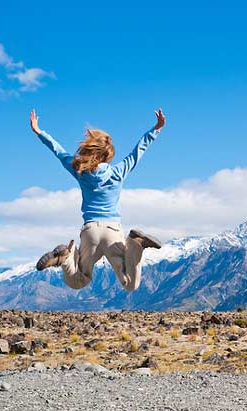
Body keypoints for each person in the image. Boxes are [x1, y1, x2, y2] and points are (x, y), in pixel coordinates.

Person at [29, 108, 165, 292]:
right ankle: (135, 243)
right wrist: (156, 129)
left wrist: (39, 132)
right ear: (108, 155)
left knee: (78, 280)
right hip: (113, 231)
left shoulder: (80, 171)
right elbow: (138, 150)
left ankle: (66, 257)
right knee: (130, 284)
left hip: (90, 231)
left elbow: (59, 152)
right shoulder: (119, 171)